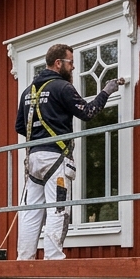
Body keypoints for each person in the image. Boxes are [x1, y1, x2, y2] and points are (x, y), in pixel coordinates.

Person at [15, 43, 119, 260]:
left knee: (30, 211)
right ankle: (53, 258)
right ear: (58, 63)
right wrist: (106, 92)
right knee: (58, 208)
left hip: (33, 158)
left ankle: (24, 260)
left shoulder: (28, 92)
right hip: (55, 157)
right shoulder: (62, 87)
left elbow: (19, 126)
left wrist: (40, 136)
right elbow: (88, 112)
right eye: (71, 62)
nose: (73, 67)